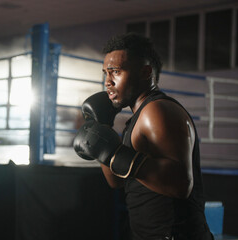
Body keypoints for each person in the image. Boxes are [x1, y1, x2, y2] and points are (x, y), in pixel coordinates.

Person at [73, 33, 214, 240]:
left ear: (145, 72)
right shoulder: (137, 118)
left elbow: (181, 184)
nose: (108, 82)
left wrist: (117, 154)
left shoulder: (157, 111)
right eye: (106, 73)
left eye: (116, 72)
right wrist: (104, 139)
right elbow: (117, 181)